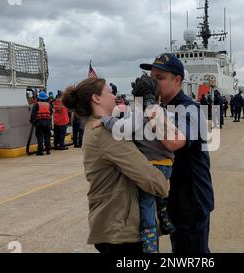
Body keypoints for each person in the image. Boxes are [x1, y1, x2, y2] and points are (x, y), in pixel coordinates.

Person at [62, 77, 169, 254]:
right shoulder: (106, 133)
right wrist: (164, 184)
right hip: (121, 230)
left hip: (111, 222)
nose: (115, 96)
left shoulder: (96, 126)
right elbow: (147, 175)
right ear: (96, 98)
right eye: (110, 92)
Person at [101, 74, 185, 253]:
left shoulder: (139, 115)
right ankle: (166, 221)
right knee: (161, 196)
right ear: (158, 96)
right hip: (167, 165)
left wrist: (105, 120)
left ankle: (150, 246)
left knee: (146, 207)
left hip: (150, 167)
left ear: (135, 97)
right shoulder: (165, 113)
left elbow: (123, 128)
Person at [141, 53, 214, 253]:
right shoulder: (163, 107)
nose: (153, 84)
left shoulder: (191, 109)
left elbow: (174, 141)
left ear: (177, 80)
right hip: (174, 197)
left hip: (191, 200)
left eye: (159, 78)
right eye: (151, 78)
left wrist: (149, 104)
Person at [30, 91, 53, 156]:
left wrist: (32, 121)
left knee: (40, 137)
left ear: (38, 98)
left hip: (39, 123)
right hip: (47, 123)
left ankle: (40, 151)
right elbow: (51, 113)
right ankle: (48, 150)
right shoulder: (48, 105)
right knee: (47, 137)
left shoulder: (36, 104)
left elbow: (33, 114)